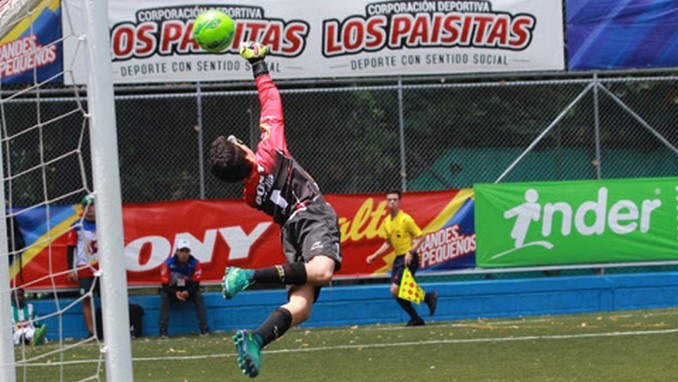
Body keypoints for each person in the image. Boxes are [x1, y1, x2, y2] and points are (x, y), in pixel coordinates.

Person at [209, 41, 342, 378]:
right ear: (245, 151)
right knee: (323, 271)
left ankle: (256, 339)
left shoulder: (249, 195)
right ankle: (248, 275)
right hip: (311, 214)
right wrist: (258, 62)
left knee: (303, 307)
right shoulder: (269, 151)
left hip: (290, 232)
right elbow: (272, 101)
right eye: (239, 141)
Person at [366, 189, 438, 326]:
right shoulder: (387, 222)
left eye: (394, 200)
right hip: (398, 259)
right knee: (397, 291)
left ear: (399, 202)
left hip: (409, 258)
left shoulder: (406, 219)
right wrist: (375, 256)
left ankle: (422, 308)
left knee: (395, 289)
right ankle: (426, 301)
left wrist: (410, 252)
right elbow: (388, 243)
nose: (391, 202)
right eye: (389, 200)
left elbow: (421, 236)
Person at [158, 238, 210, 338]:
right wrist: (175, 293)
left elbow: (196, 284)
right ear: (177, 252)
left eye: (186, 251)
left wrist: (187, 292)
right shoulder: (167, 264)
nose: (184, 254)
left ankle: (204, 329)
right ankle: (163, 331)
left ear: (189, 252)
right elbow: (164, 286)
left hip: (189, 290)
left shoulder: (195, 264)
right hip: (172, 291)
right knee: (164, 297)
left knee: (198, 296)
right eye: (181, 251)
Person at [66, 194, 99, 338]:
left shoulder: (106, 224)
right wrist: (71, 269)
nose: (90, 209)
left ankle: (109, 330)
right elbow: (70, 248)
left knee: (108, 297)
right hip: (85, 267)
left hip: (103, 267)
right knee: (87, 298)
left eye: (92, 205)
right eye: (87, 206)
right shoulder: (76, 226)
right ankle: (92, 332)